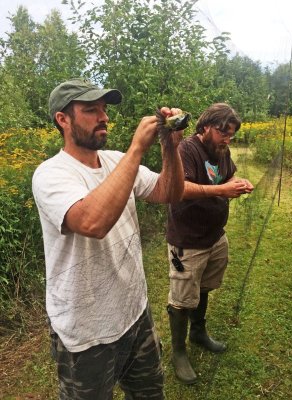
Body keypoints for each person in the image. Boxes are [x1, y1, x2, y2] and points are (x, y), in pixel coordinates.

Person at [32, 77, 185, 399]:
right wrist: (136, 149)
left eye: (104, 109)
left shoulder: (116, 160)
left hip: (134, 314)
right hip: (85, 334)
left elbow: (170, 191)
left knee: (150, 394)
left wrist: (170, 147)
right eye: (91, 110)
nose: (104, 117)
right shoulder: (51, 173)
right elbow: (92, 221)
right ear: (63, 119)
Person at [166, 103, 254, 384]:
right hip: (188, 240)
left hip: (215, 235)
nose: (227, 139)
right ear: (205, 127)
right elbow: (180, 189)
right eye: (223, 133)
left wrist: (238, 184)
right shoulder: (187, 150)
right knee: (181, 299)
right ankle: (178, 352)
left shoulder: (222, 151)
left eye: (231, 135)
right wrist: (222, 190)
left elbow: (226, 177)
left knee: (204, 287)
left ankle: (199, 332)